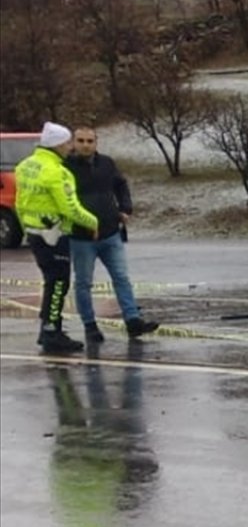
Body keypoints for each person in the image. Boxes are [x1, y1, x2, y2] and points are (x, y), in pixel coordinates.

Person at [65, 127, 159, 342]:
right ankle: (89, 324)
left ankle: (133, 320)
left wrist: (125, 208)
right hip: (81, 236)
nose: (86, 145)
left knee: (121, 278)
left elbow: (121, 184)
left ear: (96, 142)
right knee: (83, 283)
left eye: (90, 141)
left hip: (110, 232)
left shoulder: (106, 163)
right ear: (73, 143)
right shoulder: (66, 167)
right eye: (81, 140)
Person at [14, 122, 99, 354]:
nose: (71, 147)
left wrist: (25, 227)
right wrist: (93, 222)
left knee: (51, 282)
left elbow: (19, 201)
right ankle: (52, 331)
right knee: (59, 282)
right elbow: (70, 208)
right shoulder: (57, 172)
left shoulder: (25, 165)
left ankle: (49, 328)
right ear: (59, 144)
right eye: (68, 142)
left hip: (34, 232)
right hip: (53, 233)